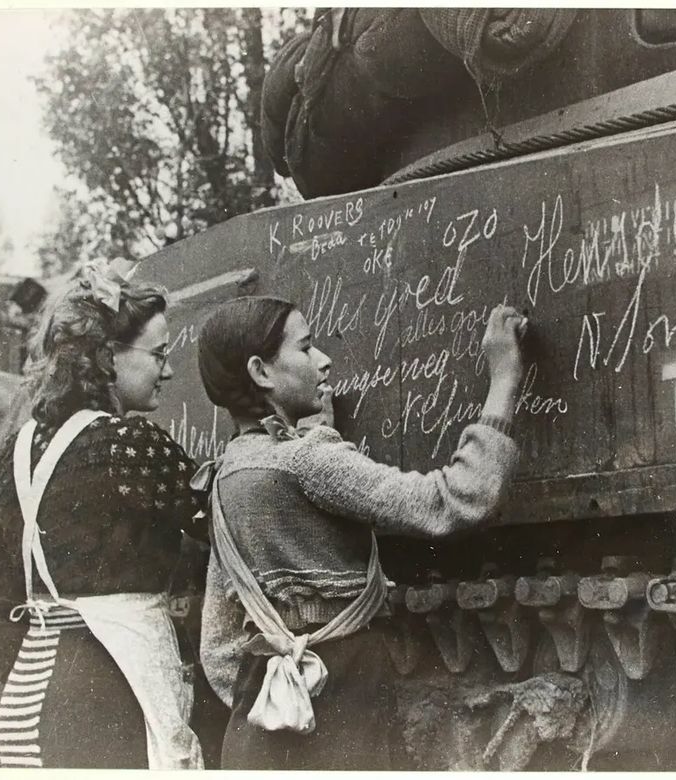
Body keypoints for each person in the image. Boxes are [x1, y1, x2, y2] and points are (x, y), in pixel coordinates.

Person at [195, 295, 527, 770]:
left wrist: (281, 701)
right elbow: (459, 498)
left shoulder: (226, 474)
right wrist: (504, 381)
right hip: (343, 700)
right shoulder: (309, 459)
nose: (323, 360)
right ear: (261, 372)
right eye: (306, 348)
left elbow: (218, 647)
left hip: (262, 719)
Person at [0, 259, 204, 769]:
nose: (167, 370)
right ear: (107, 356)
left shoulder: (13, 452)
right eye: (159, 354)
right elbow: (222, 523)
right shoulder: (129, 444)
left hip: (26, 698)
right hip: (109, 688)